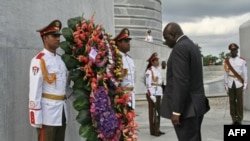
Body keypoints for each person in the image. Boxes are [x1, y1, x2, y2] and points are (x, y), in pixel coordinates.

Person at [161, 22, 210, 141]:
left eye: (166, 38)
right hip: (196, 105)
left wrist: (177, 111)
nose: (166, 42)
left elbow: (181, 81)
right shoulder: (191, 46)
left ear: (173, 34)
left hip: (187, 109)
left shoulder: (180, 48)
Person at [28, 19, 68, 141]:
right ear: (45, 38)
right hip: (47, 113)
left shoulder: (61, 60)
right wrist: (35, 116)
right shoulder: (39, 60)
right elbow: (35, 89)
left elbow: (64, 87)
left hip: (61, 110)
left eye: (58, 36)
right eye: (54, 36)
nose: (58, 39)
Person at [223, 43, 248, 125]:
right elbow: (225, 74)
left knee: (239, 102)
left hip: (239, 83)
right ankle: (234, 119)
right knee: (232, 102)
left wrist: (245, 84)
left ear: (237, 50)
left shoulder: (242, 61)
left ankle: (239, 119)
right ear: (230, 51)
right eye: (232, 50)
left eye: (234, 50)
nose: (233, 51)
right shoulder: (227, 61)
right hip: (230, 83)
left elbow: (245, 73)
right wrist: (226, 85)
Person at [114, 28, 136, 109]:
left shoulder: (130, 59)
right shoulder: (116, 58)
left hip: (131, 95)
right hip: (122, 97)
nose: (128, 43)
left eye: (129, 41)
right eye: (126, 41)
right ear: (119, 43)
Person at [145, 52, 165, 136]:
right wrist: (151, 95)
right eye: (156, 60)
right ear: (152, 62)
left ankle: (157, 128)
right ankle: (153, 131)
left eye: (158, 60)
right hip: (152, 94)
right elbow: (148, 84)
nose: (158, 61)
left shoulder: (157, 70)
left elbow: (160, 82)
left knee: (158, 112)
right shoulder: (149, 71)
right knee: (153, 112)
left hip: (158, 92)